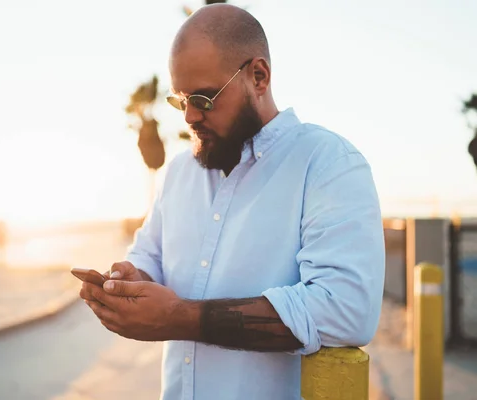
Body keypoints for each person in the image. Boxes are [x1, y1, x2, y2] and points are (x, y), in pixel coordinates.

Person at [80, 4, 385, 399]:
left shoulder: (327, 163)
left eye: (204, 100)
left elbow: (346, 309)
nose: (189, 117)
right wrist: (131, 281)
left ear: (259, 77)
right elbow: (149, 256)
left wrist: (179, 318)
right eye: (181, 100)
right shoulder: (178, 174)